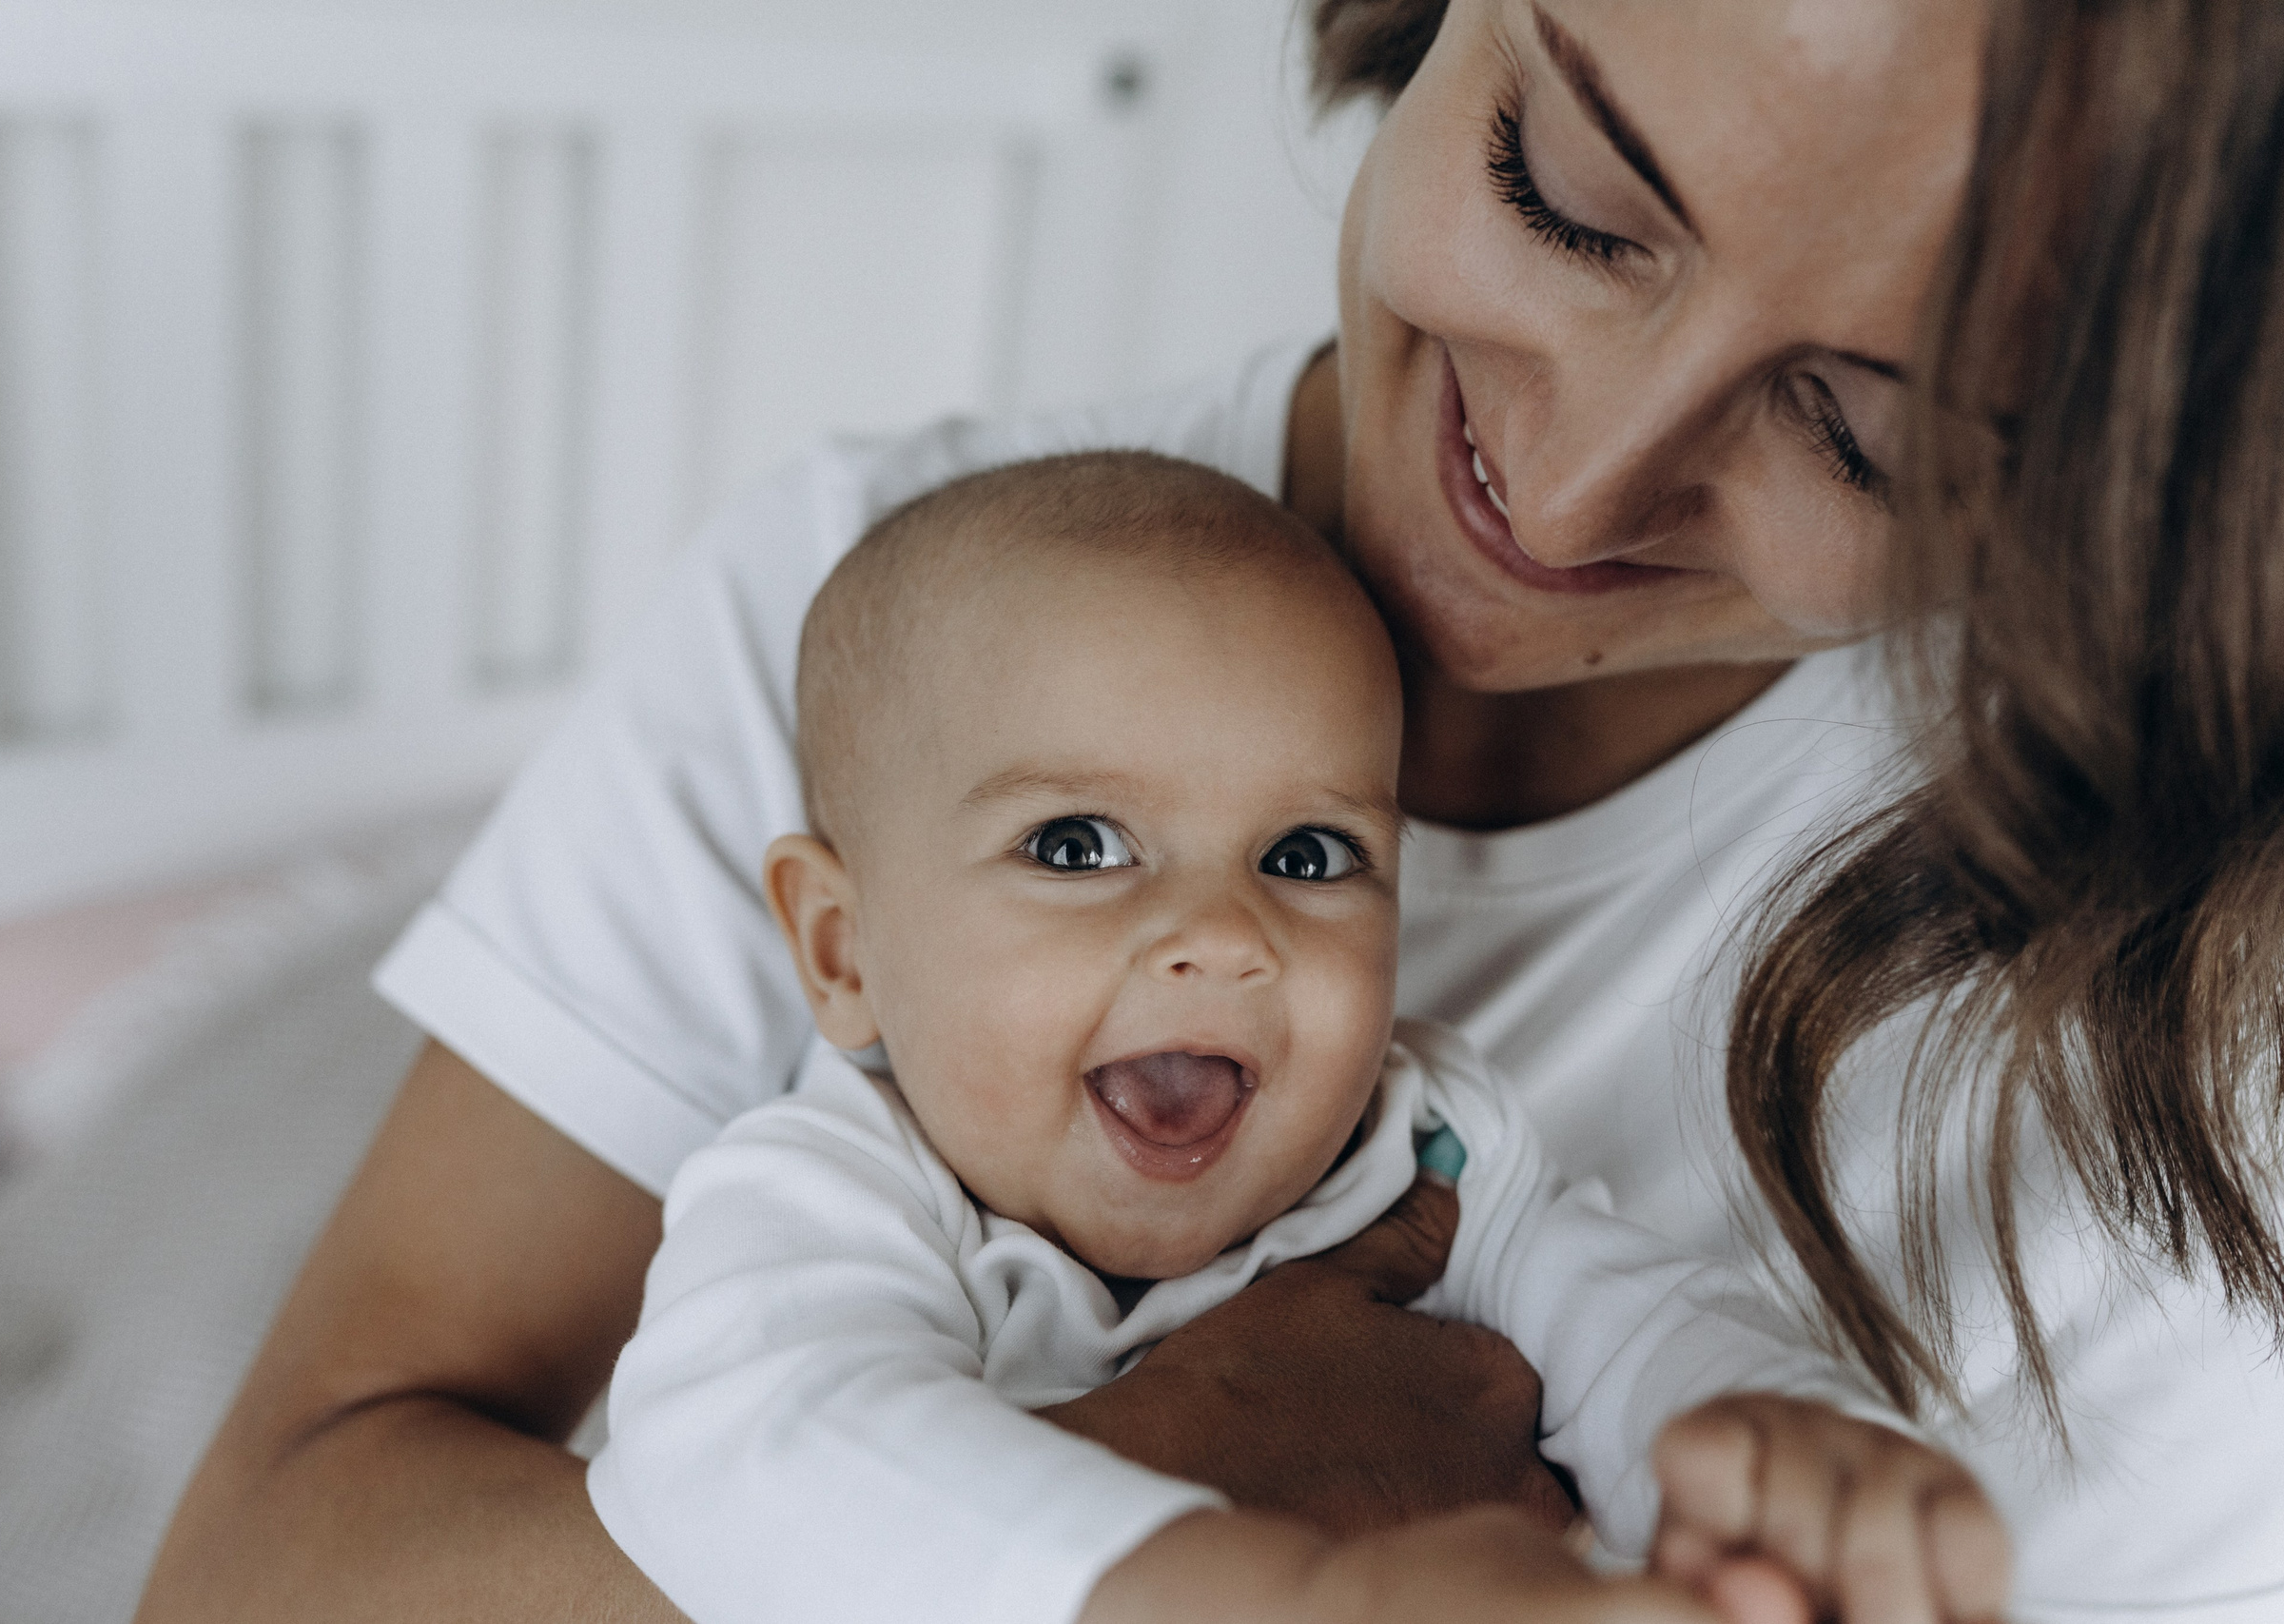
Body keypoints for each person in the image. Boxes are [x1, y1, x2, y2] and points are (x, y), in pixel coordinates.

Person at [137, 2, 2284, 1620]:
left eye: (1856, 437)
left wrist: (1775, 1445)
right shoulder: (869, 637)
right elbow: (274, 1560)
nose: (1564, 484)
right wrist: (1179, 1500)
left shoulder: (2177, 1048)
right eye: (1563, 196)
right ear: (835, 938)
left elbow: (1605, 1298)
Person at [589, 450, 2004, 1624]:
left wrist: (1790, 1451)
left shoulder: (1424, 1150)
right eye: (1077, 845)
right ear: (843, 949)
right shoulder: (832, 1193)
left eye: (1311, 855)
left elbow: (1633, 1327)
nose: (1228, 933)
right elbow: (751, 1462)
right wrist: (1283, 1597)